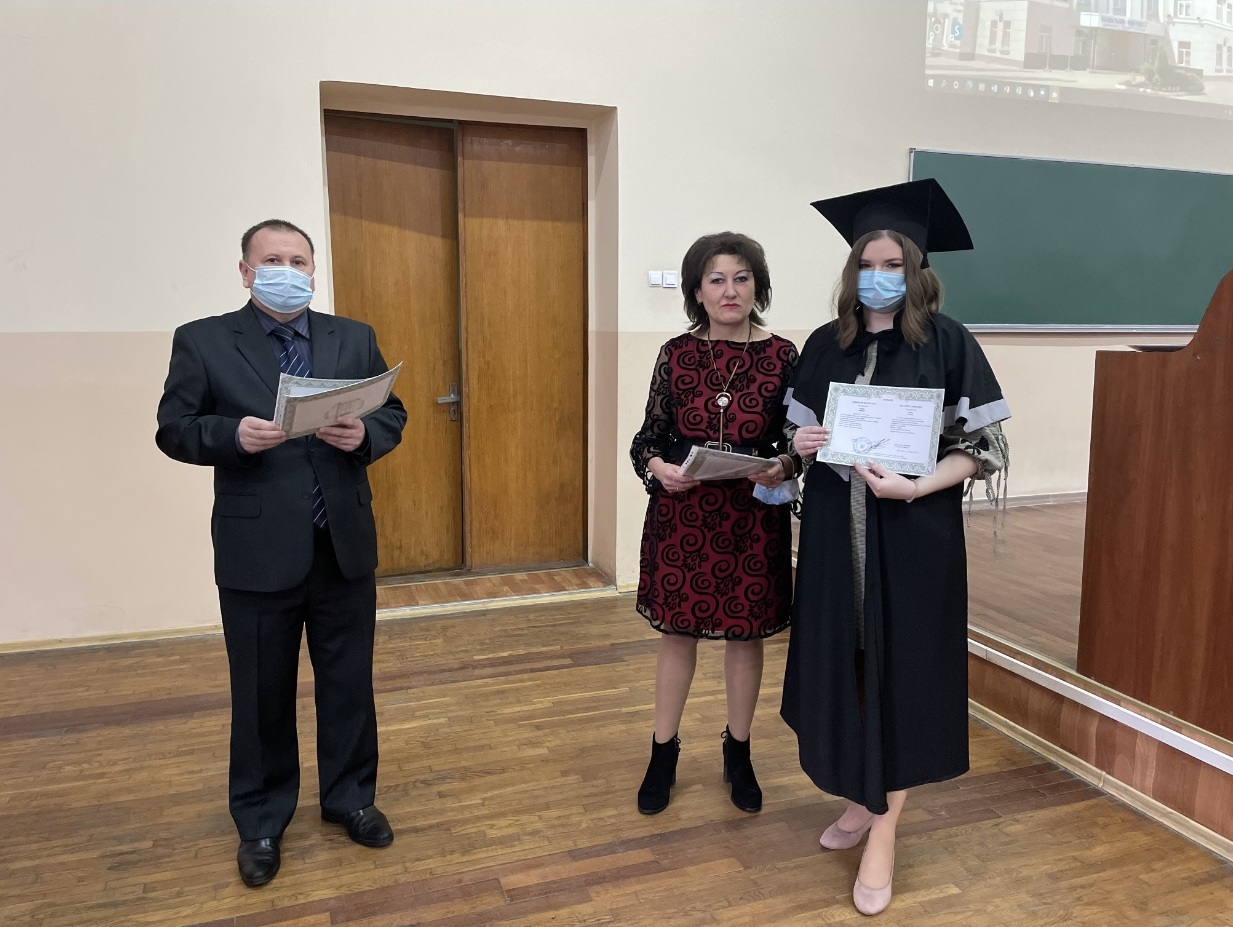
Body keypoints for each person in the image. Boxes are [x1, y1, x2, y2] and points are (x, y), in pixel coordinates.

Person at [780, 180, 1009, 916]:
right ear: (852, 270)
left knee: (901, 679)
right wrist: (800, 443)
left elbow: (983, 448)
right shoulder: (826, 343)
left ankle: (882, 834)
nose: (878, 275)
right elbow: (794, 437)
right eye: (867, 263)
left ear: (917, 270)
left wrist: (915, 487)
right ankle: (859, 797)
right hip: (830, 539)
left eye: (893, 264)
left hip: (913, 540)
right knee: (845, 668)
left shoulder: (948, 342)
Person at [156, 219, 407, 887]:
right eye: (272, 260)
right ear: (245, 271)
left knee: (348, 683)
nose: (287, 271)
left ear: (314, 271)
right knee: (261, 692)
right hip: (258, 549)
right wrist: (232, 436)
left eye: (298, 260)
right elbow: (173, 429)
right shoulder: (204, 340)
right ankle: (261, 821)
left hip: (341, 544)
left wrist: (366, 435)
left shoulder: (352, 336)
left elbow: (394, 413)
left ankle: (351, 798)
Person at [630, 232, 800, 816]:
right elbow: (647, 440)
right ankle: (663, 752)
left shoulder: (783, 356)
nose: (731, 290)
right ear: (697, 292)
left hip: (752, 517)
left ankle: (739, 751)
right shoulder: (676, 354)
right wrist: (658, 468)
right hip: (683, 515)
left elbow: (797, 441)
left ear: (758, 287)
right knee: (677, 634)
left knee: (744, 636)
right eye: (717, 279)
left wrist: (785, 465)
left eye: (742, 278)